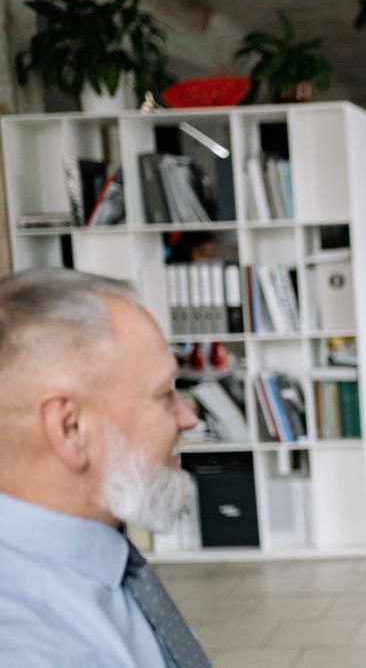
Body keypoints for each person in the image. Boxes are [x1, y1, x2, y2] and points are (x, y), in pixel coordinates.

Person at [0, 268, 211, 668]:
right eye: (165, 396)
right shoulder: (37, 651)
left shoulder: (101, 562)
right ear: (71, 428)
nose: (189, 419)